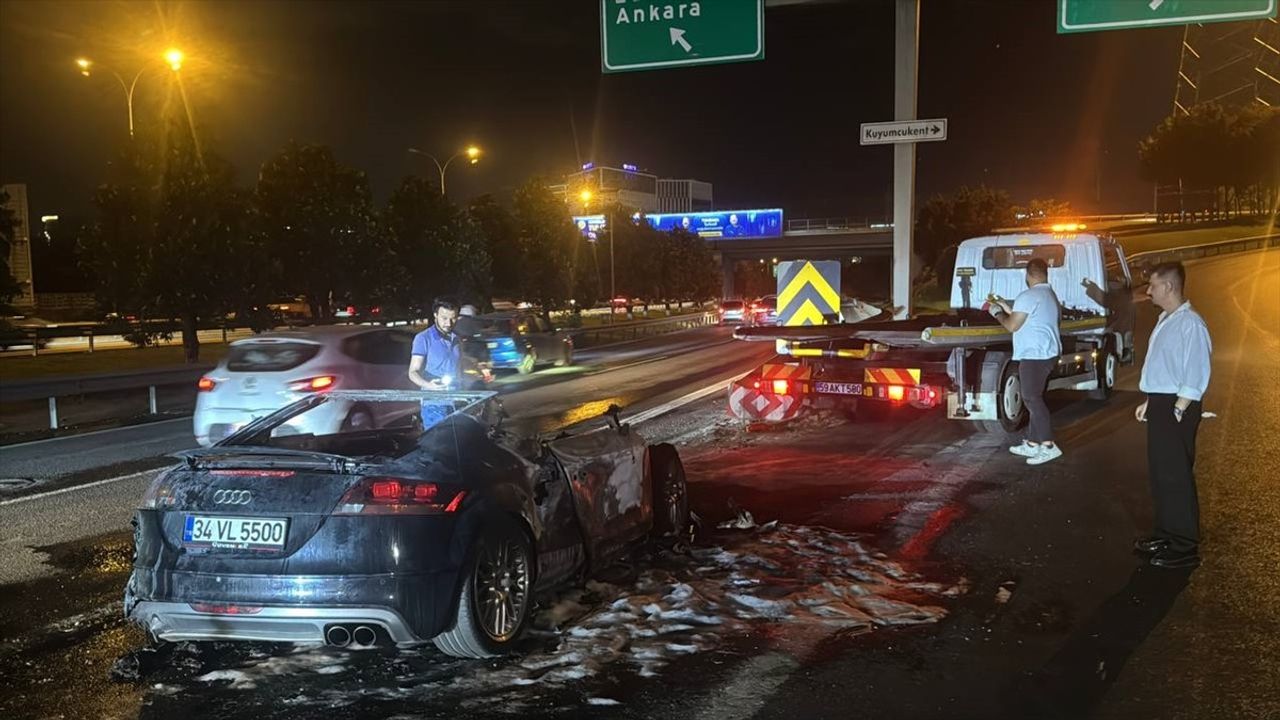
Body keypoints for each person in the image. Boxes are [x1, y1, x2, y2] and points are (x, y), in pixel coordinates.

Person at [1134, 261, 1211, 570]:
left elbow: (1197, 369)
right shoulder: (1168, 318)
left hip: (1178, 406)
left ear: (1168, 286)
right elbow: (1165, 366)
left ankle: (1184, 545)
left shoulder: (1190, 323)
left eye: (1152, 285)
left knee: (1175, 475)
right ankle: (1166, 533)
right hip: (1162, 402)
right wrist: (1151, 401)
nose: (1148, 291)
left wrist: (1179, 407)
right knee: (1161, 474)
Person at [992, 257, 1063, 465]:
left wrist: (996, 312)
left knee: (1032, 398)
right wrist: (1007, 306)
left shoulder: (1028, 295)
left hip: (1035, 355)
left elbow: (1012, 326)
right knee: (1034, 398)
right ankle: (1033, 443)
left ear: (1028, 275)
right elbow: (1031, 317)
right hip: (1047, 353)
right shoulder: (1049, 295)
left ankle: (1048, 446)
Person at [408, 297, 461, 428]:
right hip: (434, 404)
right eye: (444, 318)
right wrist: (429, 385)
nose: (449, 323)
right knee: (438, 444)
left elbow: (459, 367)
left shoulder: (456, 339)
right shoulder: (423, 338)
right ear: (435, 315)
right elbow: (412, 372)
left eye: (453, 318)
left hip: (455, 402)